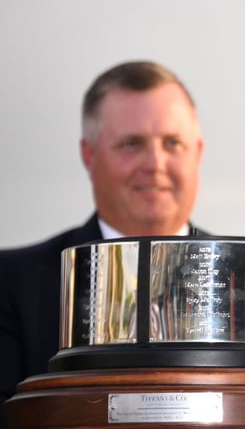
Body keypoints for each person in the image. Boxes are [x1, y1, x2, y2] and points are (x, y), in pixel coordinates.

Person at [0, 61, 205, 422]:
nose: (155, 163)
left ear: (198, 153)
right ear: (88, 154)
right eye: (132, 143)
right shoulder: (11, 285)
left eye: (172, 143)